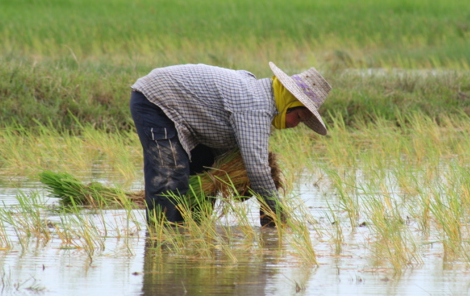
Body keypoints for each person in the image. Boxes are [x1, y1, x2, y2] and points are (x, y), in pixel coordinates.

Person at [129, 62, 331, 227]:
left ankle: (193, 232)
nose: (296, 124)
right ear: (289, 101)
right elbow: (258, 171)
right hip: (155, 101)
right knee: (171, 177)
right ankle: (160, 243)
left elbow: (232, 160)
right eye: (299, 116)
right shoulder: (256, 106)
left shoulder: (261, 99)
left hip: (183, 115)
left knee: (205, 167)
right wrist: (276, 213)